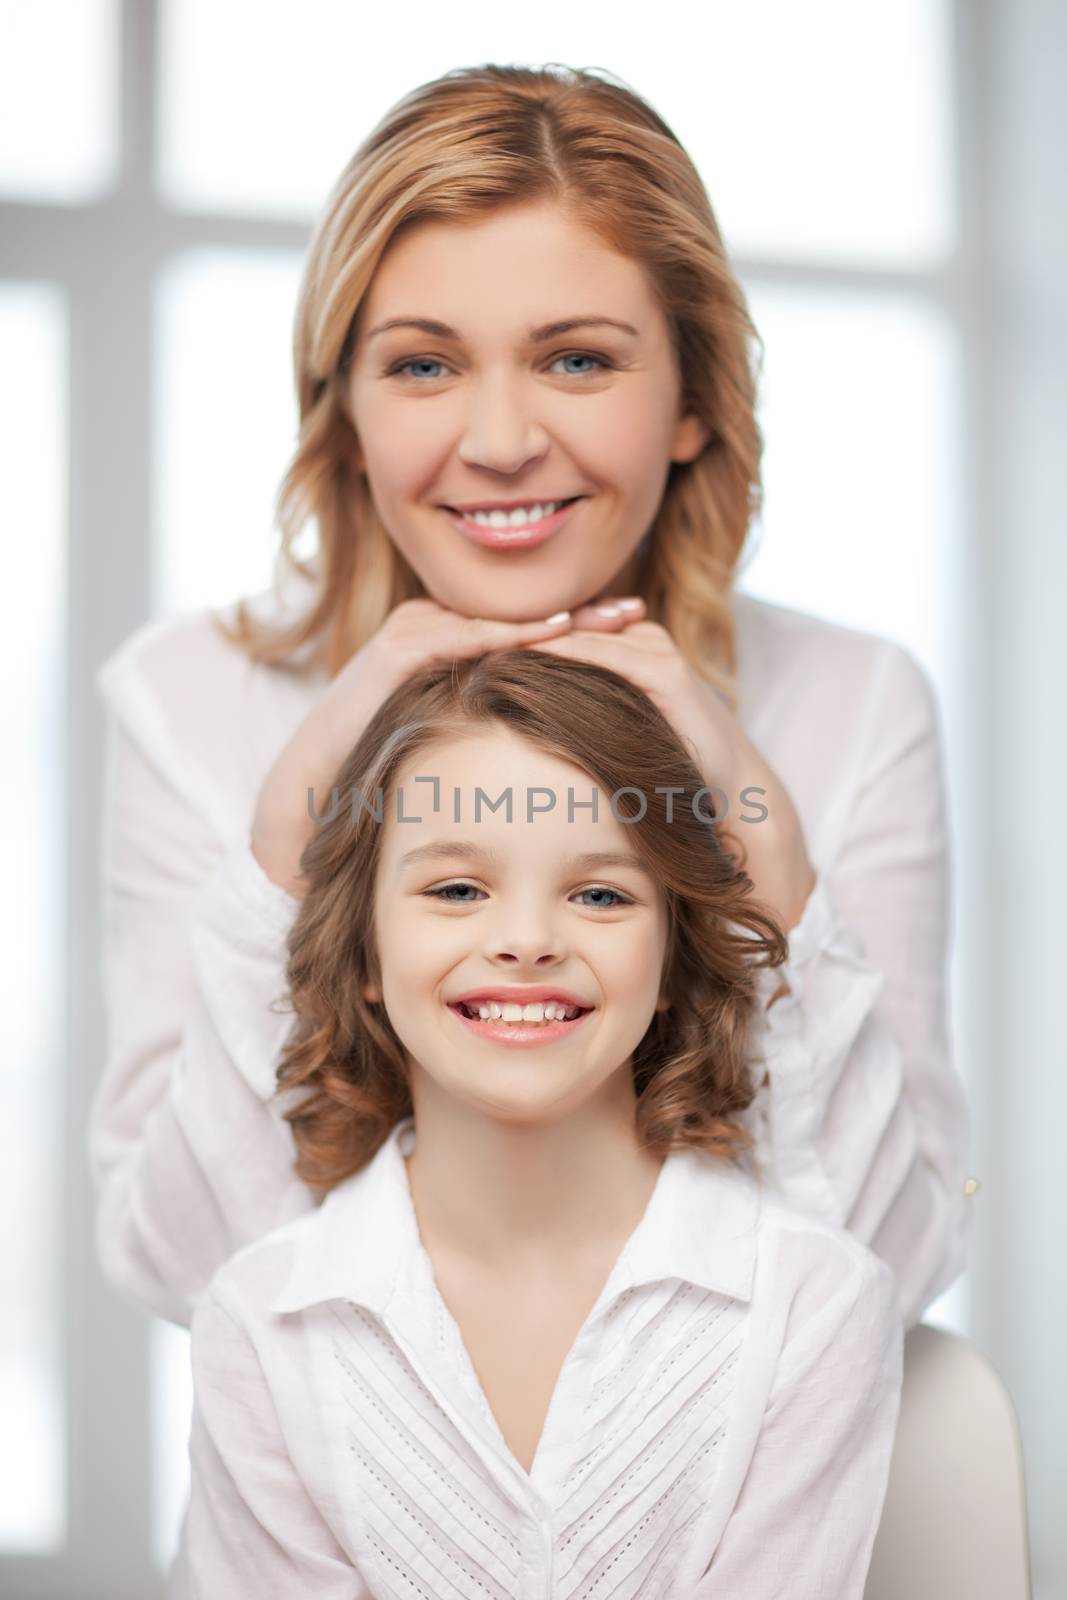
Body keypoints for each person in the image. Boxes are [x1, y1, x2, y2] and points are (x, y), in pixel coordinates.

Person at [91, 62, 971, 1333]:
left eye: (573, 359)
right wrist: (285, 850)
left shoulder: (852, 703)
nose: (499, 439)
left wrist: (766, 869)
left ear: (691, 400)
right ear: (341, 415)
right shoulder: (191, 703)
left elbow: (888, 1267)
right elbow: (187, 1273)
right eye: (422, 366)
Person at [171, 648, 903, 1599]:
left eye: (600, 894)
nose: (526, 939)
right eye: (455, 889)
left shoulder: (816, 1304)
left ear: (675, 960)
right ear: (360, 949)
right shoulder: (260, 1324)